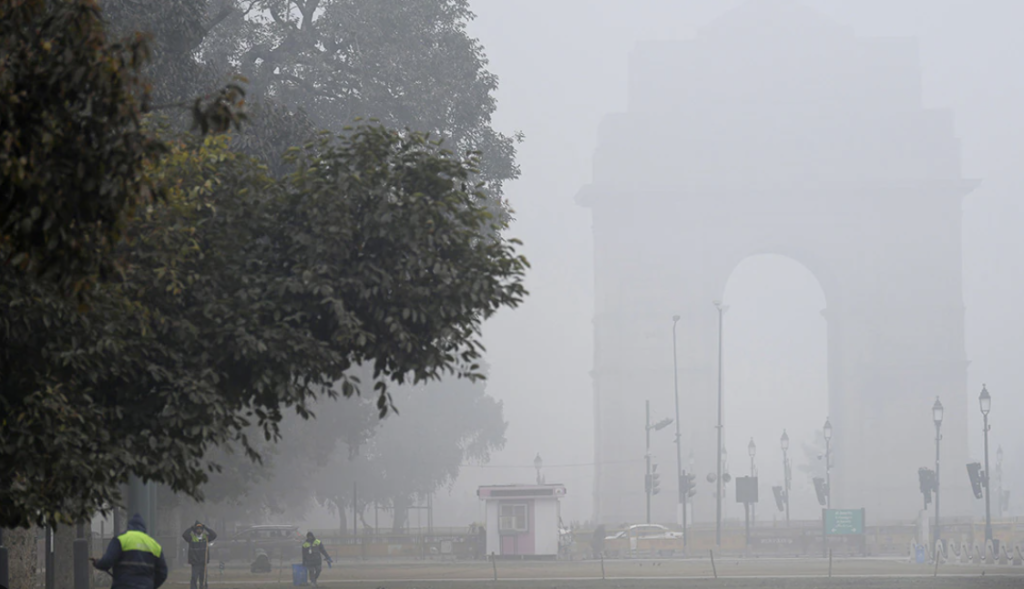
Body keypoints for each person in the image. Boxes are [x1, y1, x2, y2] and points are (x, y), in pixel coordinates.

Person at [92, 514, 168, 589]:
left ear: (129, 526)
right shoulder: (155, 545)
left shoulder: (120, 539)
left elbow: (107, 561)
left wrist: (98, 563)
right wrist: (151, 585)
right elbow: (163, 573)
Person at [182, 520, 217, 589]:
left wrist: (206, 527)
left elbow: (214, 535)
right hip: (195, 562)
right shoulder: (191, 538)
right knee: (194, 578)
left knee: (203, 579)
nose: (199, 530)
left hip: (203, 562)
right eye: (197, 528)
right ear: (195, 530)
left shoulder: (206, 537)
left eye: (201, 528)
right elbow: (184, 535)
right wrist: (191, 528)